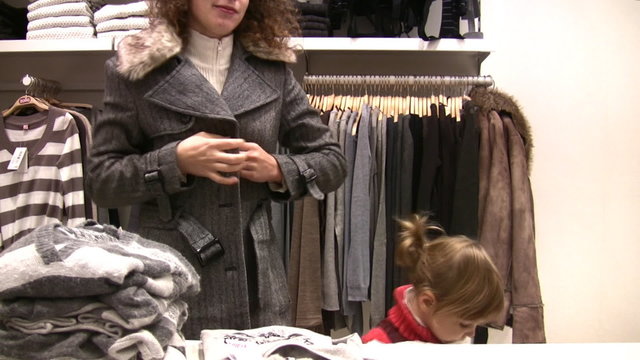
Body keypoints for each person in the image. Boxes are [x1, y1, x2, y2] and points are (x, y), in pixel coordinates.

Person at [87, 0, 347, 339]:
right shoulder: (138, 68)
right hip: (168, 277)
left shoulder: (272, 69)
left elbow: (332, 160)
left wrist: (276, 168)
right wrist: (175, 160)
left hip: (257, 278)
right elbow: (102, 180)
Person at [362, 214, 504, 344]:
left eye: (475, 325)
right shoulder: (378, 346)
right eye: (465, 324)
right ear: (427, 302)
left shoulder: (447, 331)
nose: (471, 333)